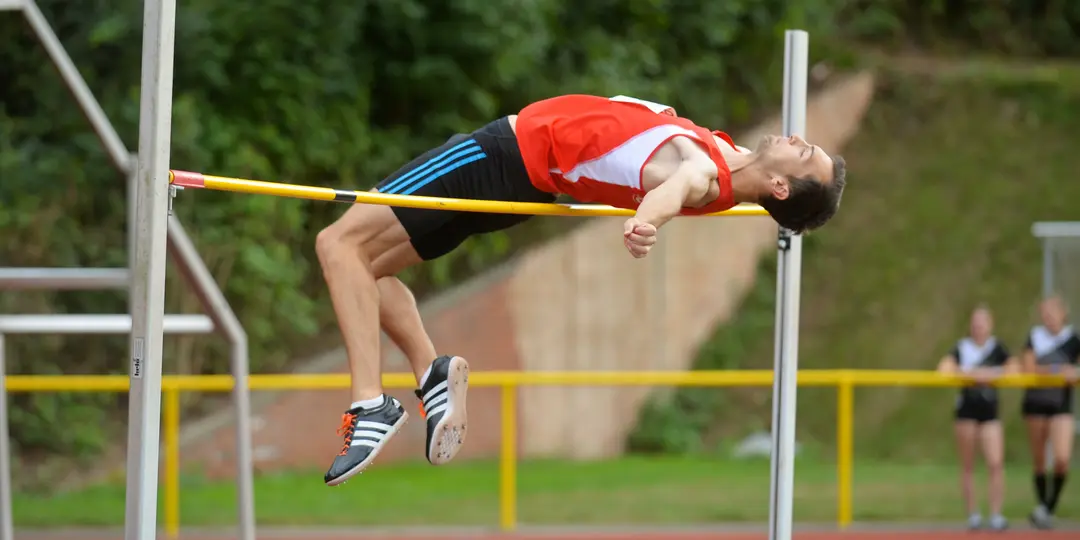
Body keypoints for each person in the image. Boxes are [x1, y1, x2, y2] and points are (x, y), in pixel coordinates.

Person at [316, 94, 847, 485]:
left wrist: (647, 222)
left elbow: (679, 187)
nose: (797, 139)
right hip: (528, 178)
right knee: (367, 270)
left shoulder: (707, 172)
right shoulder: (731, 155)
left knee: (337, 245)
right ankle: (432, 374)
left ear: (780, 187)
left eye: (804, 154)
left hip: (504, 153)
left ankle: (369, 405)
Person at [936, 305, 1016, 531]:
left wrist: (992, 374)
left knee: (995, 463)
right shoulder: (962, 348)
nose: (978, 328)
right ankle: (972, 513)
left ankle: (996, 514)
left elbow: (1014, 367)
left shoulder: (997, 348)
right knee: (968, 465)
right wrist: (970, 374)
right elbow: (944, 368)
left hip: (990, 412)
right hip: (967, 412)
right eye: (975, 324)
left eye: (982, 323)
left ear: (990, 325)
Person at [1021, 295, 1080, 529]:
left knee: (1062, 458)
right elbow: (1029, 368)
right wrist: (1057, 370)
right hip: (1035, 403)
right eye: (1045, 314)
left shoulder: (1072, 339)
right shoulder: (1035, 337)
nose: (1049, 318)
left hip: (1060, 406)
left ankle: (1048, 507)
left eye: (1052, 313)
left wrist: (1072, 372)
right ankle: (1042, 508)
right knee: (1039, 460)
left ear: (1062, 314)